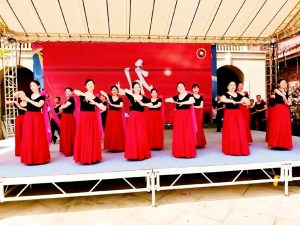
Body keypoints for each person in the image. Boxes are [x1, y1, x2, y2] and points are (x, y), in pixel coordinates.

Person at [16, 80, 50, 165]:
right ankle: (29, 158)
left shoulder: (42, 97)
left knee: (38, 136)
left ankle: (40, 158)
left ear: (38, 86)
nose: (32, 87)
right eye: (31, 86)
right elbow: (15, 95)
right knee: (28, 136)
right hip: (28, 117)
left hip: (37, 117)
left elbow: (39, 105)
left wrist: (29, 100)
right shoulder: (27, 94)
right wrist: (21, 92)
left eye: (34, 85)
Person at [73, 79, 106, 164]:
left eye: (92, 84)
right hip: (83, 117)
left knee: (91, 136)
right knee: (84, 136)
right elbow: (75, 91)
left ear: (94, 86)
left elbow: (104, 108)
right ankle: (83, 157)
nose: (90, 85)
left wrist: (95, 102)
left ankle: (93, 157)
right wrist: (85, 95)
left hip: (92, 118)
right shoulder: (82, 95)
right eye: (88, 84)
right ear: (86, 86)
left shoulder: (96, 98)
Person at [118, 81, 150, 160]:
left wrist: (143, 104)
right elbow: (125, 90)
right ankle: (133, 154)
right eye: (136, 87)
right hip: (133, 116)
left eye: (138, 87)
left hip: (141, 117)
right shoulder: (131, 96)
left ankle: (142, 153)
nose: (137, 88)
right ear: (133, 89)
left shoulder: (143, 97)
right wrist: (133, 94)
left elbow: (151, 104)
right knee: (133, 134)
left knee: (141, 134)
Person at [165, 82, 197, 158]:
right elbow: (166, 100)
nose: (180, 88)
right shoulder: (176, 97)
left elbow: (192, 101)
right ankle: (179, 152)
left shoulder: (189, 95)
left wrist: (181, 102)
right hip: (178, 117)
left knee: (187, 133)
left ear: (185, 87)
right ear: (177, 89)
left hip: (186, 117)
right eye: (178, 87)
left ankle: (188, 152)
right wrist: (171, 100)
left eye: (181, 86)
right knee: (179, 133)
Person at [221, 81, 250, 156]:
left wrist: (246, 102)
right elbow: (223, 99)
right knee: (231, 130)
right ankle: (231, 148)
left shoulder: (238, 95)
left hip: (238, 113)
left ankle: (241, 148)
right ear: (228, 87)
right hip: (229, 114)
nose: (233, 86)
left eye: (234, 85)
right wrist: (231, 101)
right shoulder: (226, 94)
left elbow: (247, 101)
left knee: (240, 129)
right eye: (231, 85)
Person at [268, 79, 293, 150]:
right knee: (277, 125)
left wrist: (288, 100)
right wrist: (285, 97)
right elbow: (280, 94)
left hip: (285, 110)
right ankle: (276, 144)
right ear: (278, 84)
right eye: (282, 82)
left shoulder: (287, 92)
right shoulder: (276, 90)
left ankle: (284, 144)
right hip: (277, 110)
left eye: (285, 82)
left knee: (285, 126)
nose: (284, 83)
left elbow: (289, 103)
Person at [100, 86, 125, 152]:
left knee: (117, 130)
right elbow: (101, 91)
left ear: (117, 91)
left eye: (115, 90)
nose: (114, 91)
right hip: (110, 116)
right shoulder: (109, 97)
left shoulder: (120, 99)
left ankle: (118, 147)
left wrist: (112, 104)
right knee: (111, 130)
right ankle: (111, 147)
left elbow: (121, 105)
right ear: (111, 91)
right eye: (113, 90)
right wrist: (107, 97)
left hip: (117, 115)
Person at [59, 87, 76, 156]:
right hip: (65, 117)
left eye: (69, 91)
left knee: (69, 133)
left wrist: (61, 107)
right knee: (65, 133)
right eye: (66, 91)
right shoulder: (67, 99)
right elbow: (62, 109)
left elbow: (63, 107)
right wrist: (61, 107)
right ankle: (66, 148)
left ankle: (70, 150)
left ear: (72, 92)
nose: (67, 92)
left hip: (69, 118)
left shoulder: (72, 99)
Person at [192, 84, 206, 148]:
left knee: (198, 126)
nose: (196, 90)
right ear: (192, 89)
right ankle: (193, 142)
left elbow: (201, 106)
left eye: (197, 88)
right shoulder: (190, 96)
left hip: (197, 113)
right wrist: (194, 107)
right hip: (192, 113)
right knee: (192, 127)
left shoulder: (201, 97)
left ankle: (199, 143)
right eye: (194, 88)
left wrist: (194, 107)